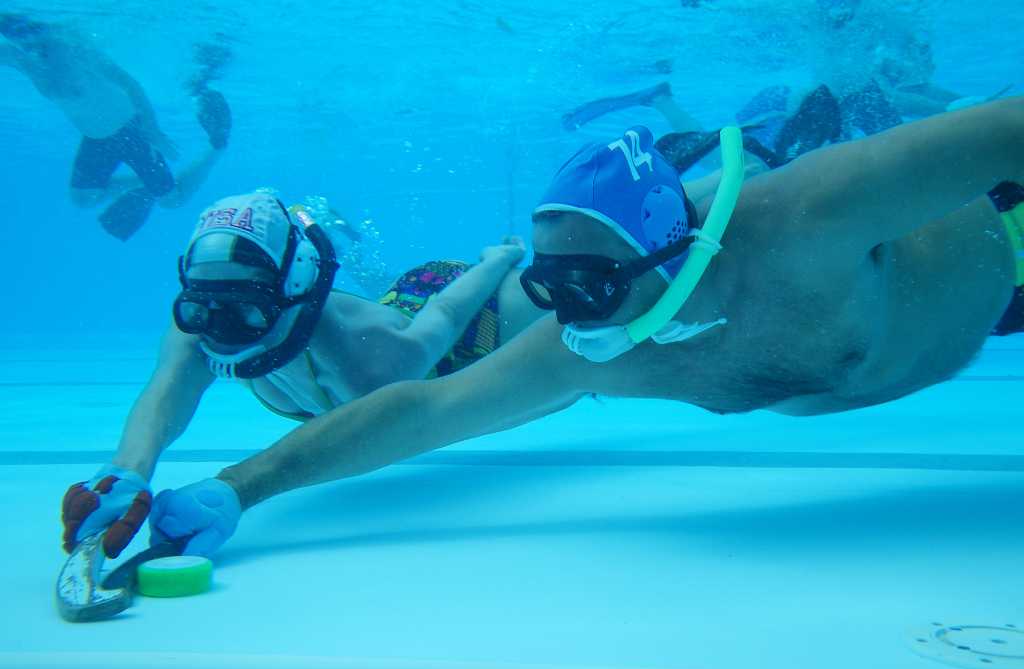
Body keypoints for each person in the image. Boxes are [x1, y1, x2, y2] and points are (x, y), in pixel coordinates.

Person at [66, 98, 1024, 561]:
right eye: (547, 280)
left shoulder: (813, 216)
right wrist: (239, 489)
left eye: (589, 283)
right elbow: (424, 411)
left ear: (670, 255)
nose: (565, 310)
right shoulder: (596, 333)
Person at [60, 191, 543, 559]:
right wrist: (126, 472)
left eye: (245, 312)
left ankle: (504, 262)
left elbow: (448, 313)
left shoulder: (370, 357)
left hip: (469, 326)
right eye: (201, 309)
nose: (222, 333)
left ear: (291, 291)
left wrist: (497, 261)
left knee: (560, 329)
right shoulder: (207, 316)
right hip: (400, 307)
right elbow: (166, 387)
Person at [0, 14, 232, 241]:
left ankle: (216, 149)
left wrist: (153, 131)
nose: (34, 50)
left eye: (38, 42)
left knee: (172, 201)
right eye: (23, 43)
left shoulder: (78, 52)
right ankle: (147, 183)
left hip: (132, 132)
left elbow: (132, 86)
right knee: (83, 199)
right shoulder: (25, 61)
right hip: (96, 138)